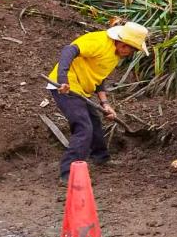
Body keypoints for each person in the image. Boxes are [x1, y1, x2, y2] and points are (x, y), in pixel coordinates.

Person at [48, 20, 150, 184]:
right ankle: (68, 174)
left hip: (81, 89)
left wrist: (105, 104)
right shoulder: (99, 42)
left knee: (94, 121)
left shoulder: (115, 54)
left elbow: (99, 78)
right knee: (83, 127)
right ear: (124, 44)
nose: (131, 53)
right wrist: (62, 80)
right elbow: (69, 50)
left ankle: (100, 157)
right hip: (65, 87)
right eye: (132, 49)